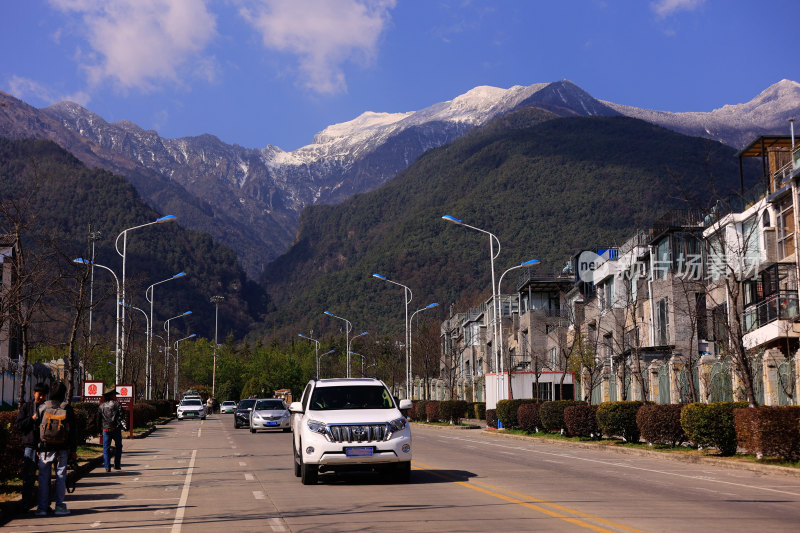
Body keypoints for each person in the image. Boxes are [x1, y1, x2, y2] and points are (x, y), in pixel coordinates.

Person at [36, 382, 77, 516]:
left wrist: (38, 446)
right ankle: (59, 506)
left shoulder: (42, 407)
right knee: (60, 476)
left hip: (45, 449)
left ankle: (42, 508)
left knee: (43, 478)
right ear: (64, 393)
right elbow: (73, 431)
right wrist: (73, 450)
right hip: (62, 449)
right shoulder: (67, 408)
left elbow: (36, 428)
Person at [15, 382, 49, 509]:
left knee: (44, 477)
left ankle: (44, 504)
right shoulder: (27, 406)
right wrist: (32, 419)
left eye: (44, 395)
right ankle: (26, 503)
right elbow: (19, 425)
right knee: (28, 476)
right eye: (39, 395)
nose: (41, 398)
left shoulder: (47, 408)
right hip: (30, 445)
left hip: (44, 446)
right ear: (34, 393)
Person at [97, 387, 124, 473]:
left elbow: (98, 419)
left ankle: (107, 466)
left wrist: (99, 430)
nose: (116, 396)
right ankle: (117, 465)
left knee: (106, 448)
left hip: (106, 429)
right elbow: (122, 415)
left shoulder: (101, 406)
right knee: (118, 446)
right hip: (115, 428)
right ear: (111, 395)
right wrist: (119, 424)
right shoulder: (117, 404)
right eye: (115, 394)